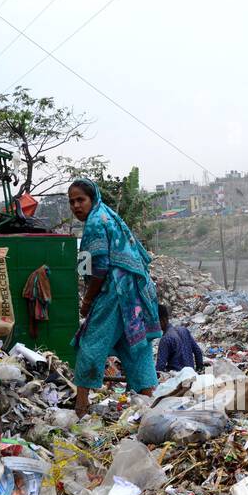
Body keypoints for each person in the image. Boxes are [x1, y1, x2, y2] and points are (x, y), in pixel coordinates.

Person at [67, 178, 162, 417]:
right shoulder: (107, 216)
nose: (76, 205)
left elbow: (98, 270)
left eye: (81, 200)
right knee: (135, 346)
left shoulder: (95, 223)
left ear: (92, 198)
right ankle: (148, 405)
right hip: (133, 295)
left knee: (90, 345)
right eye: (72, 202)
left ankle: (80, 407)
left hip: (114, 294)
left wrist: (87, 301)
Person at [155, 304, 205, 374]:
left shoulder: (165, 340)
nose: (154, 324)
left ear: (163, 320)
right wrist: (199, 370)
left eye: (156, 321)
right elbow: (197, 351)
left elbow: (160, 368)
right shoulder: (183, 330)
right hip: (192, 375)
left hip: (177, 379)